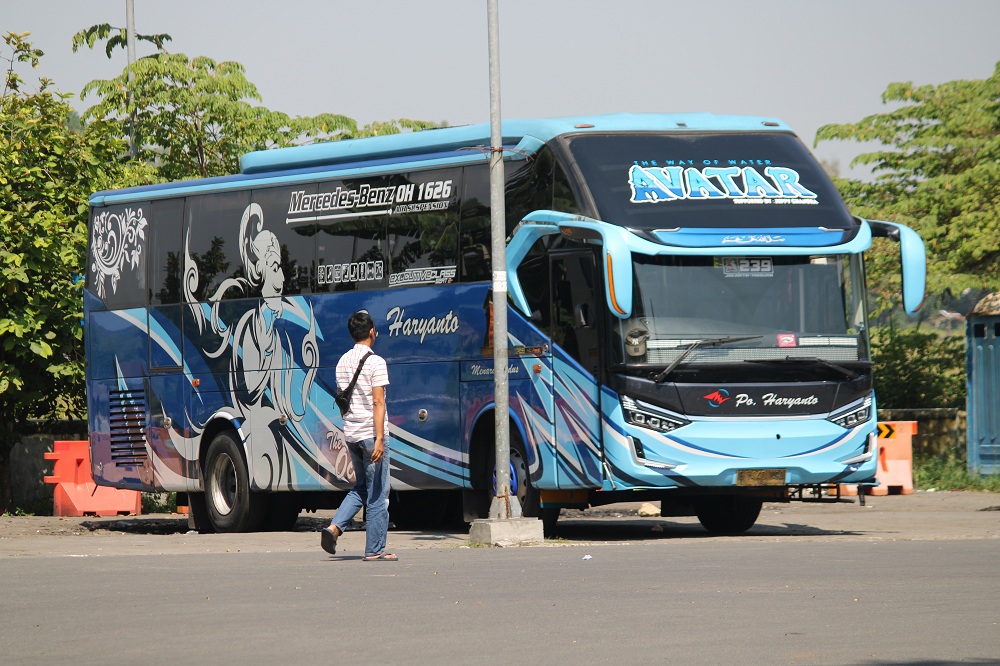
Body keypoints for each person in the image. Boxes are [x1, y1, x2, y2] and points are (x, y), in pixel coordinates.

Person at [321, 310, 396, 561]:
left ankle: (334, 528)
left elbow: (344, 400)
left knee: (362, 487)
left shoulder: (342, 361)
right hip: (370, 435)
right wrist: (379, 439)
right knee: (377, 493)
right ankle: (375, 550)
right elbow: (378, 403)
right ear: (372, 332)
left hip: (351, 435)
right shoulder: (376, 362)